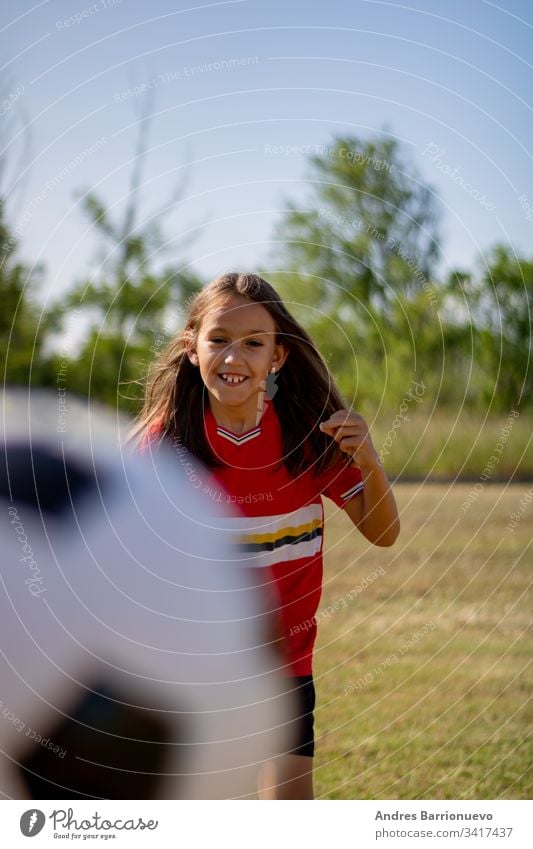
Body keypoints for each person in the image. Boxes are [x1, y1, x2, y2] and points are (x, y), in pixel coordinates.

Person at [134, 272, 400, 799]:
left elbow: (384, 533)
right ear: (192, 348)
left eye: (254, 344)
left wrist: (368, 460)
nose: (235, 358)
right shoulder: (162, 445)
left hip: (286, 666)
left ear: (277, 358)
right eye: (219, 340)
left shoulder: (308, 432)